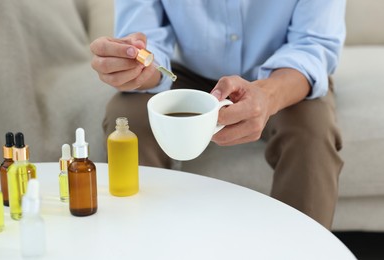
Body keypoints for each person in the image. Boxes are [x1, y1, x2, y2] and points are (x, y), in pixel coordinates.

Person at [90, 1, 346, 229]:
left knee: (310, 133)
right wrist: (137, 69)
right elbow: (146, 40)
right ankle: (142, 243)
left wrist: (267, 96)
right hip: (185, 74)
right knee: (128, 120)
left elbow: (313, 45)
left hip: (283, 75)